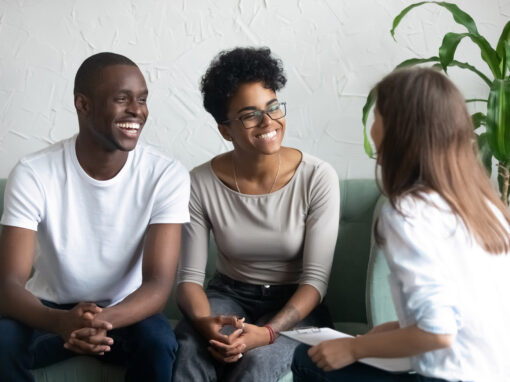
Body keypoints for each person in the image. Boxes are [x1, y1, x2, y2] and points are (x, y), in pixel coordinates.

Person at [291, 67, 510, 381]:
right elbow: (464, 315)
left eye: (377, 116)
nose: (372, 127)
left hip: (453, 375)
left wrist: (353, 350)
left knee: (306, 360)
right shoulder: (483, 205)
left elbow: (438, 333)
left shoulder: (410, 212)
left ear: (399, 129)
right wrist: (385, 334)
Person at [0, 52, 190, 382]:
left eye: (142, 99)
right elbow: (8, 285)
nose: (137, 110)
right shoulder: (33, 172)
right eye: (122, 98)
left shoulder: (165, 174)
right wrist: (61, 322)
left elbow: (158, 285)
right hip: (48, 310)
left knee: (160, 344)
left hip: (127, 309)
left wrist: (100, 321)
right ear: (83, 104)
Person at [172, 47, 340, 381]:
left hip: (296, 304)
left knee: (258, 364)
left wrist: (268, 332)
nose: (268, 122)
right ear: (225, 129)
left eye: (273, 107)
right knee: (191, 348)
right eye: (250, 115)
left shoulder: (317, 177)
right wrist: (206, 324)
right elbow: (189, 279)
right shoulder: (200, 182)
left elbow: (315, 281)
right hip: (228, 295)